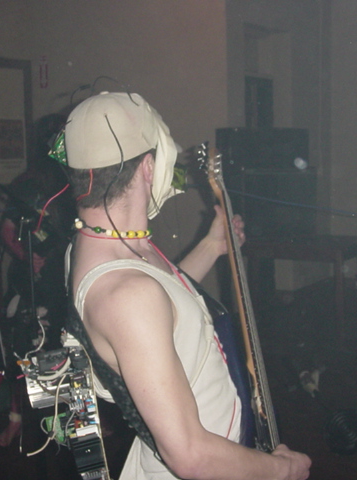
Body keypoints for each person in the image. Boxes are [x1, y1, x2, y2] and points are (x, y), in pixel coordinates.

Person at [61, 92, 311, 479]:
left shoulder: (101, 245)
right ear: (148, 167)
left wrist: (211, 246)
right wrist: (281, 470)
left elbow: (163, 306)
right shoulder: (127, 296)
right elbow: (190, 455)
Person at [0, 114, 73, 447]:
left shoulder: (75, 181)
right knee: (26, 355)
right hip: (34, 284)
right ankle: (20, 423)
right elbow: (8, 231)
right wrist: (28, 256)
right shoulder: (28, 183)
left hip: (66, 280)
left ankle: (72, 425)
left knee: (70, 354)